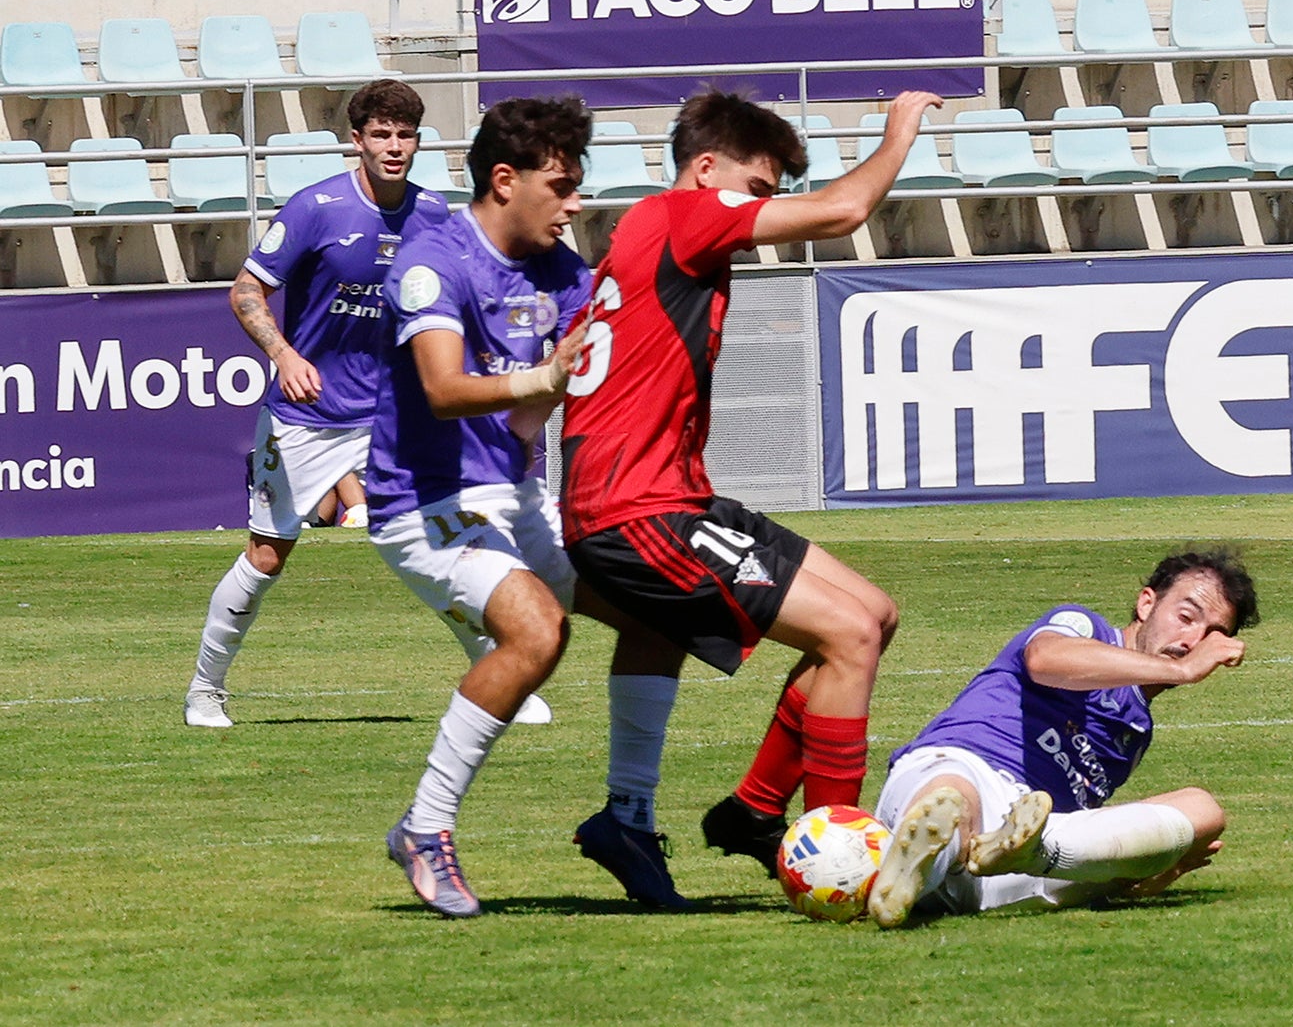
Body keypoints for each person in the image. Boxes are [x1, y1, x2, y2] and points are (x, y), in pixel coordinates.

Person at [554, 88, 941, 904]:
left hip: (671, 499)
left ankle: (755, 814)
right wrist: (899, 128)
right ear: (705, 170)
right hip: (637, 510)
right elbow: (844, 209)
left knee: (874, 614)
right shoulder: (686, 216)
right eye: (756, 190)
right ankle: (841, 858)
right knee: (848, 637)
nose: (761, 210)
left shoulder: (652, 234)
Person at [184, 79, 478, 728]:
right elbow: (245, 292)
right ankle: (206, 688)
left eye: (405, 135)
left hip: (396, 414)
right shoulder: (316, 208)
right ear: (358, 140)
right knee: (266, 556)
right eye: (381, 134)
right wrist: (285, 356)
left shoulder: (433, 215)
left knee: (439, 542)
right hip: (309, 418)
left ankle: (498, 677)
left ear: (419, 141)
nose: (393, 147)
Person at [371, 95, 599, 918]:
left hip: (516, 495)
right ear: (505, 181)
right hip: (423, 503)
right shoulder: (434, 262)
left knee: (656, 602)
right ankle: (425, 828)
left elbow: (552, 399)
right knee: (537, 629)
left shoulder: (564, 272)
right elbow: (441, 390)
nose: (576, 204)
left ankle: (631, 818)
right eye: (562, 185)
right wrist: (541, 380)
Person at [862, 549, 1259, 929]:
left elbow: (1088, 834)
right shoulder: (1084, 626)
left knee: (1204, 810)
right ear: (1146, 604)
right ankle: (920, 861)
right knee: (954, 798)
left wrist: (1146, 866)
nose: (1192, 641)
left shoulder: (1136, 733)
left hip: (1017, 858)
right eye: (1186, 617)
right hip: (968, 767)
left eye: (1211, 636)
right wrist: (1183, 670)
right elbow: (1044, 660)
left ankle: (1009, 853)